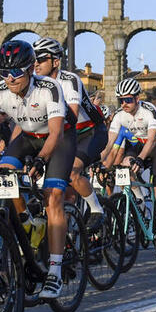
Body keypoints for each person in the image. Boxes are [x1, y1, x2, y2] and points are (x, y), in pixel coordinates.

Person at [0, 39, 78, 298]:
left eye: (16, 72)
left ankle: (54, 272)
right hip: (27, 137)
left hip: (59, 139)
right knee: (2, 173)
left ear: (30, 69)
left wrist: (41, 160)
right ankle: (28, 220)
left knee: (54, 198)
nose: (10, 78)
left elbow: (56, 133)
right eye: (4, 73)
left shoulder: (49, 88)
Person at [32, 37, 108, 229]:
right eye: (33, 59)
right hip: (63, 134)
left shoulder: (69, 80)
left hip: (90, 132)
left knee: (72, 171)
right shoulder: (35, 83)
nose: (35, 64)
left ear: (55, 61)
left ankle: (97, 209)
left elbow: (72, 116)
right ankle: (69, 235)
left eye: (40, 59)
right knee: (57, 190)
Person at [104, 77, 156, 257]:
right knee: (124, 166)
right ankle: (140, 200)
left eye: (128, 99)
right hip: (140, 144)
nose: (124, 103)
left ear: (137, 98)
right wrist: (100, 161)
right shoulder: (120, 115)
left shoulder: (149, 110)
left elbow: (151, 139)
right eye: (121, 100)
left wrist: (141, 159)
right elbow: (110, 143)